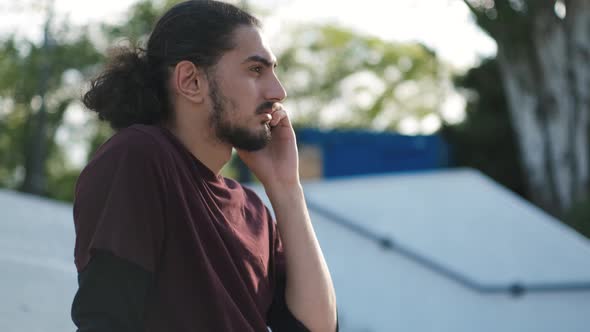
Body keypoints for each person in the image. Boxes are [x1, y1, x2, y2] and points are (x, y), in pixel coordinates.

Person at [70, 1, 338, 331]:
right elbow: (106, 320)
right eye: (255, 70)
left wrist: (286, 188)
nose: (278, 91)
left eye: (273, 71)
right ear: (191, 81)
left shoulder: (254, 211)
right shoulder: (139, 156)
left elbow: (318, 328)